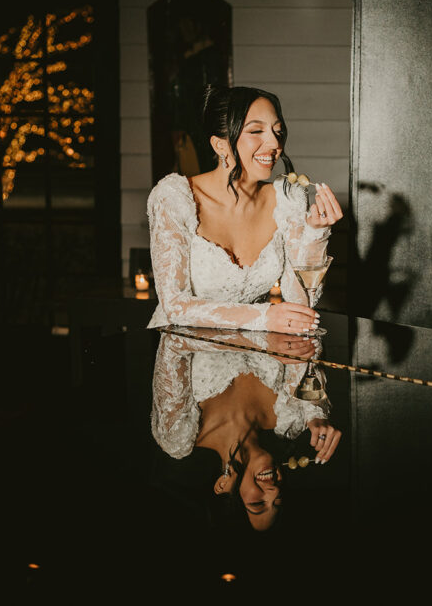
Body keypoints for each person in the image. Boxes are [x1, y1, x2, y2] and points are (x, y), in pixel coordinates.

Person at [147, 85, 343, 333]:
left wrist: (316, 233)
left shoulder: (287, 198)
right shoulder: (174, 197)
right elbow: (175, 305)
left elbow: (301, 303)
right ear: (220, 145)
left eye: (277, 131)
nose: (274, 143)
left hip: (251, 352)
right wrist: (264, 317)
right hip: (180, 349)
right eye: (256, 131)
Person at [151, 330, 341, 531]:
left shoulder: (177, 435)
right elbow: (308, 338)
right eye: (278, 500)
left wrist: (264, 341)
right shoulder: (290, 418)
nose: (273, 492)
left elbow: (173, 341)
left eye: (258, 504)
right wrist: (315, 410)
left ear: (222, 487)